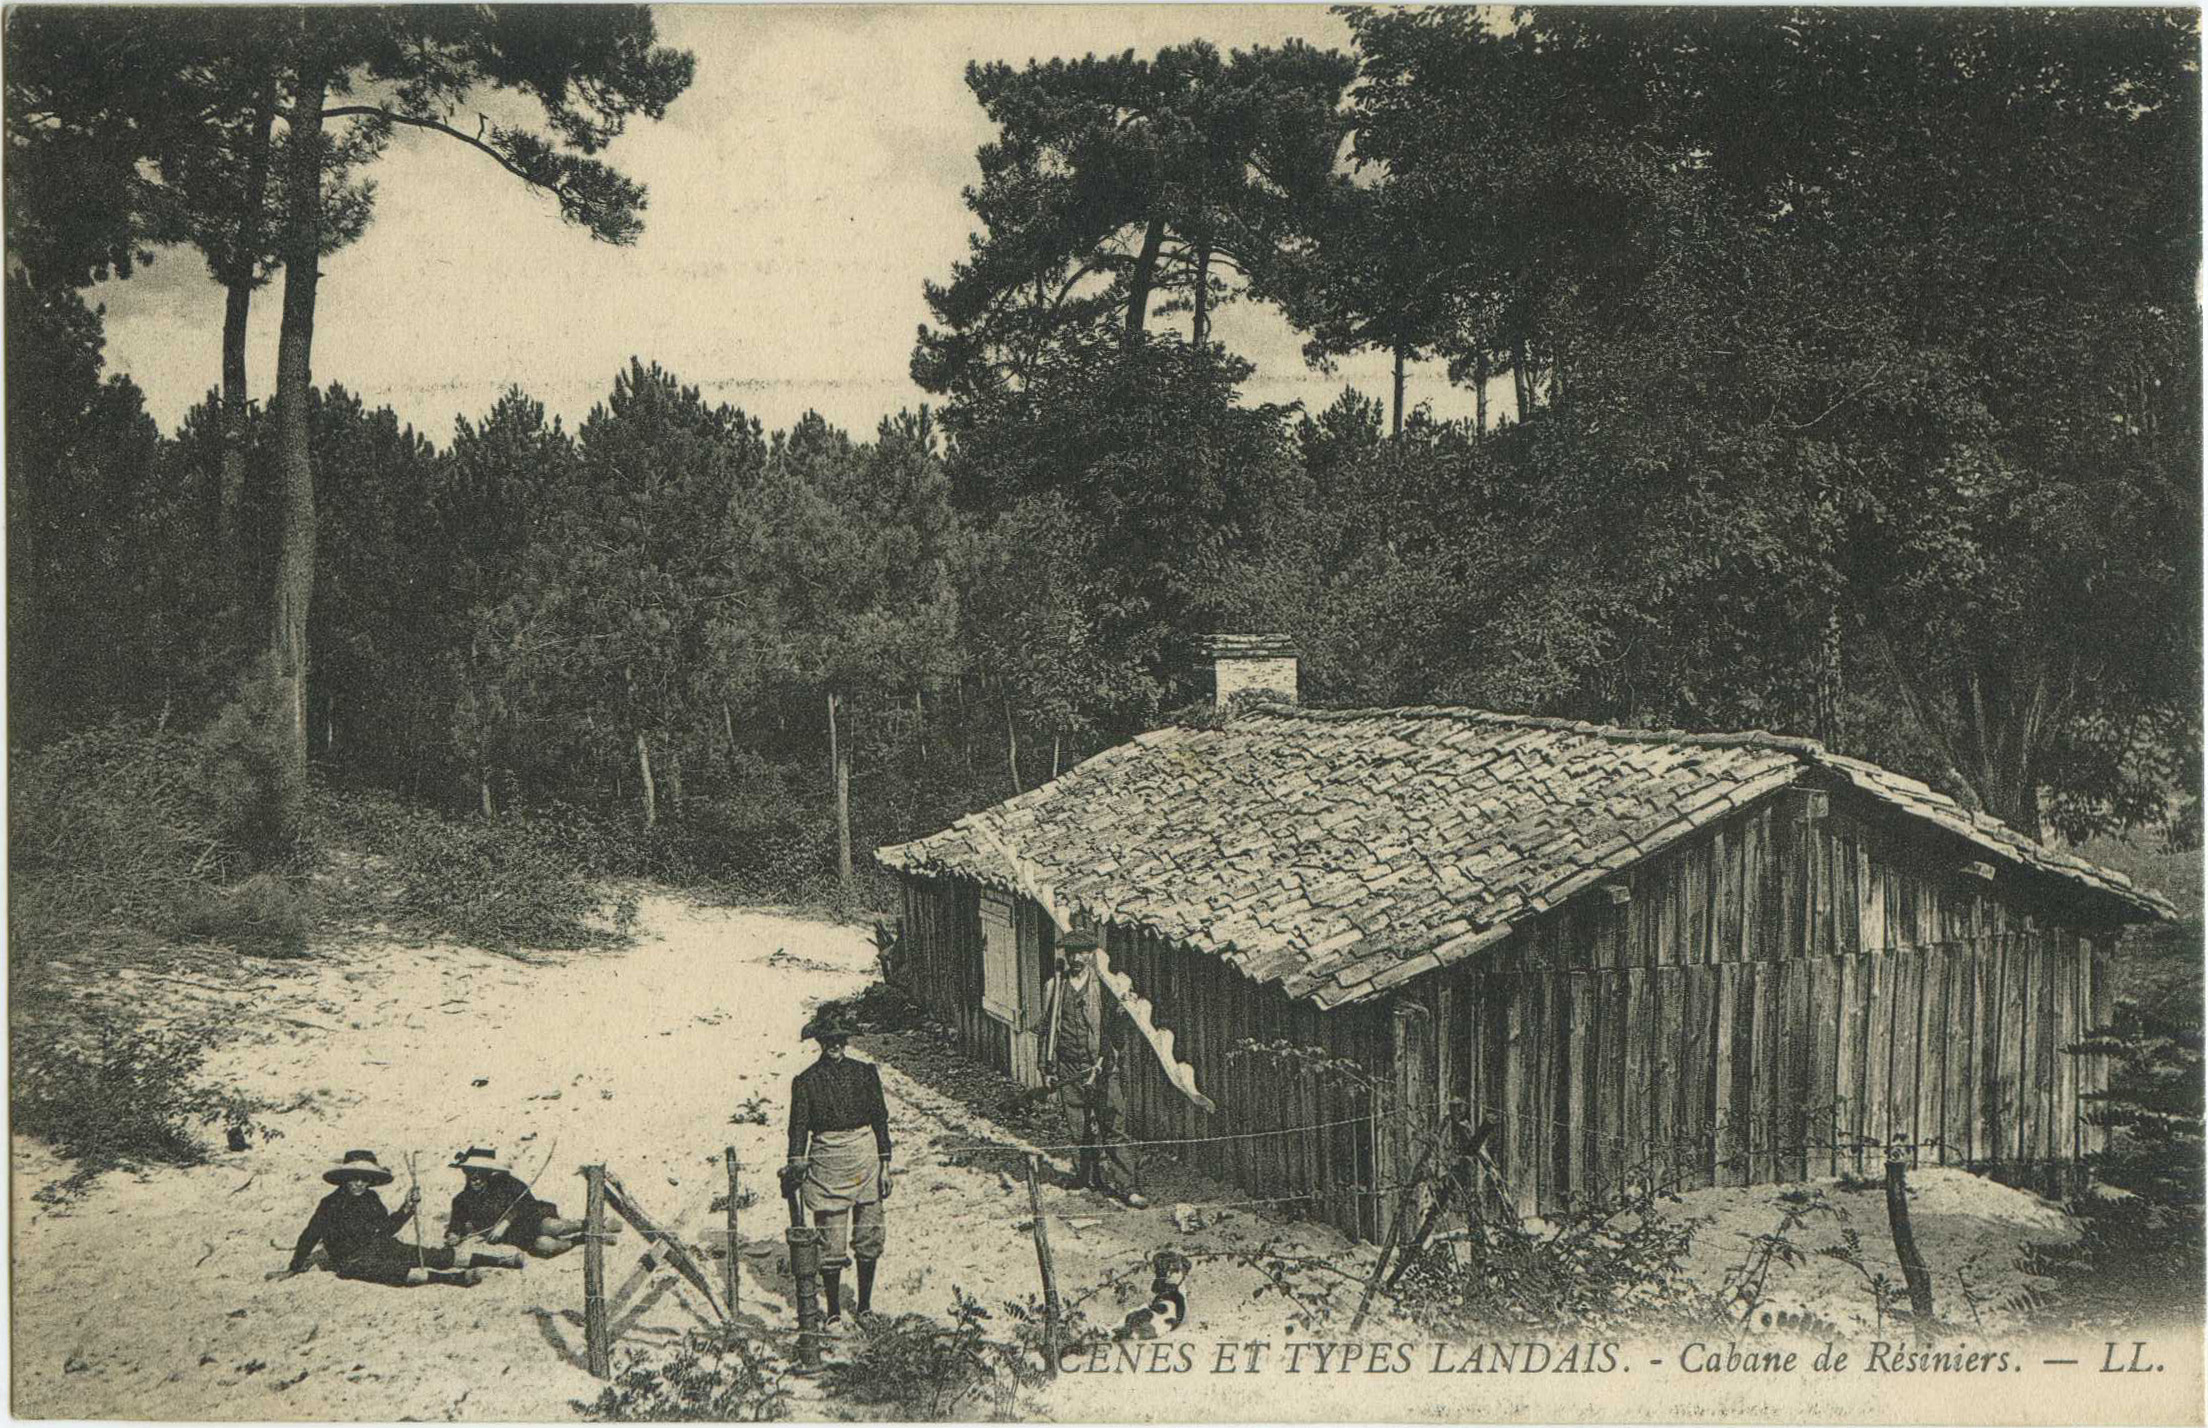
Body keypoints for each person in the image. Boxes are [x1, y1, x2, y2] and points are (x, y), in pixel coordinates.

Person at [779, 1009, 891, 1327]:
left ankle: (865, 1307)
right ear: (820, 1042)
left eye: (840, 1039)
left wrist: (886, 1165)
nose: (835, 1046)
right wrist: (796, 1164)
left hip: (865, 1159)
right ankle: (832, 1312)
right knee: (831, 1240)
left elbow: (881, 1120)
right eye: (829, 1040)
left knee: (869, 1235)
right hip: (827, 1162)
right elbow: (797, 1128)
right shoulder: (806, 1082)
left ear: (847, 1041)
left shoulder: (866, 1073)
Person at [282, 1149, 521, 1287]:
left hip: (380, 1245)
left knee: (429, 1254)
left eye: (364, 1179)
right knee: (397, 1270)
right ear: (345, 1178)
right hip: (351, 1260)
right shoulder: (330, 1204)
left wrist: (407, 1207)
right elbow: (311, 1234)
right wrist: (294, 1266)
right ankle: (456, 1280)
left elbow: (386, 1229)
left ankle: (498, 1261)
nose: (359, 1184)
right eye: (354, 1178)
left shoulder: (371, 1199)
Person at [1044, 930, 1149, 1209]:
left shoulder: (1105, 988)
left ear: (1092, 955)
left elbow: (1119, 1028)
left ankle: (1128, 1187)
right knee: (1079, 1128)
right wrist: (1048, 1067)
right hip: (1068, 1068)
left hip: (1101, 1067)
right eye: (1071, 954)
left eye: (1083, 953)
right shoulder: (1054, 987)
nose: (1077, 959)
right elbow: (1047, 1030)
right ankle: (1087, 1178)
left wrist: (1125, 1008)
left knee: (1114, 1126)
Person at [446, 1146, 599, 1257]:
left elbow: (528, 1202)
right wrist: (453, 1235)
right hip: (517, 1235)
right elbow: (456, 1225)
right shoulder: (461, 1200)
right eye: (470, 1174)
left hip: (530, 1218)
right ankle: (580, 1239)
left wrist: (506, 1221)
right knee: (547, 1247)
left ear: (488, 1173)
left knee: (553, 1227)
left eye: (480, 1174)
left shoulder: (505, 1182)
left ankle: (592, 1224)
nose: (476, 1180)